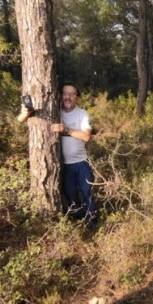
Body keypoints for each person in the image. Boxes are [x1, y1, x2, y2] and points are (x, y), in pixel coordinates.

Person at [17, 84, 97, 223]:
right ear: (60, 95)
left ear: (77, 97)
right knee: (70, 194)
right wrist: (25, 112)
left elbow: (86, 136)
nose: (68, 97)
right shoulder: (54, 111)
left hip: (81, 163)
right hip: (62, 165)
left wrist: (65, 129)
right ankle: (79, 220)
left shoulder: (82, 114)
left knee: (87, 193)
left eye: (72, 94)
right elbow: (20, 120)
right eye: (65, 93)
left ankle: (92, 221)